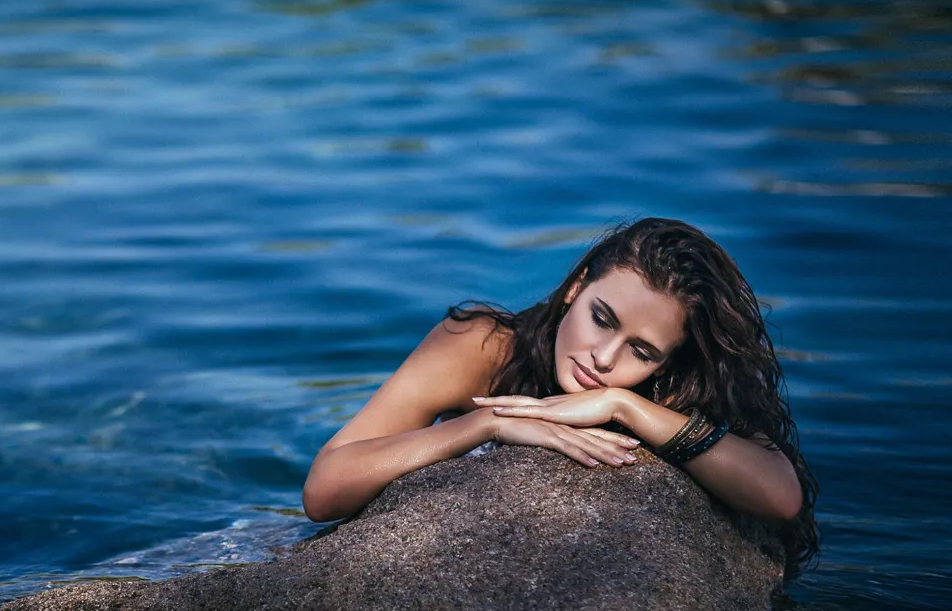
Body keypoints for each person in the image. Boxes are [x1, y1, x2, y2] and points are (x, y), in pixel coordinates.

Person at [302, 217, 819, 570]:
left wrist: (626, 407)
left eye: (641, 351)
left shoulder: (674, 389)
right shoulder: (482, 346)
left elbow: (781, 495)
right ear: (576, 287)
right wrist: (488, 424)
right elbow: (324, 490)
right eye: (601, 319)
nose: (604, 358)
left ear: (667, 362)